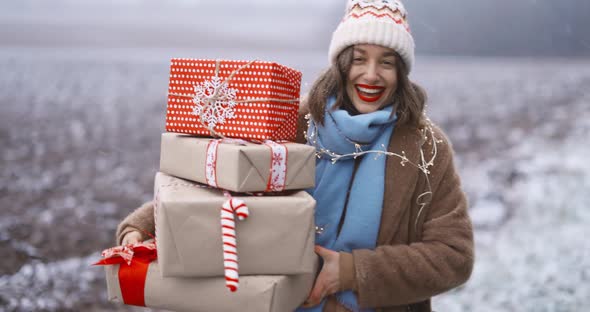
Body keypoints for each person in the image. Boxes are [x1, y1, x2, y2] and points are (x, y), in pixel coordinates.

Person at [116, 1, 474, 311]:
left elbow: (453, 256)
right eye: (359, 58)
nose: (371, 75)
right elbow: (226, 176)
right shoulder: (294, 124)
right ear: (341, 62)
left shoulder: (426, 147)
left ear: (402, 72)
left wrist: (351, 272)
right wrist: (144, 226)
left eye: (387, 62)